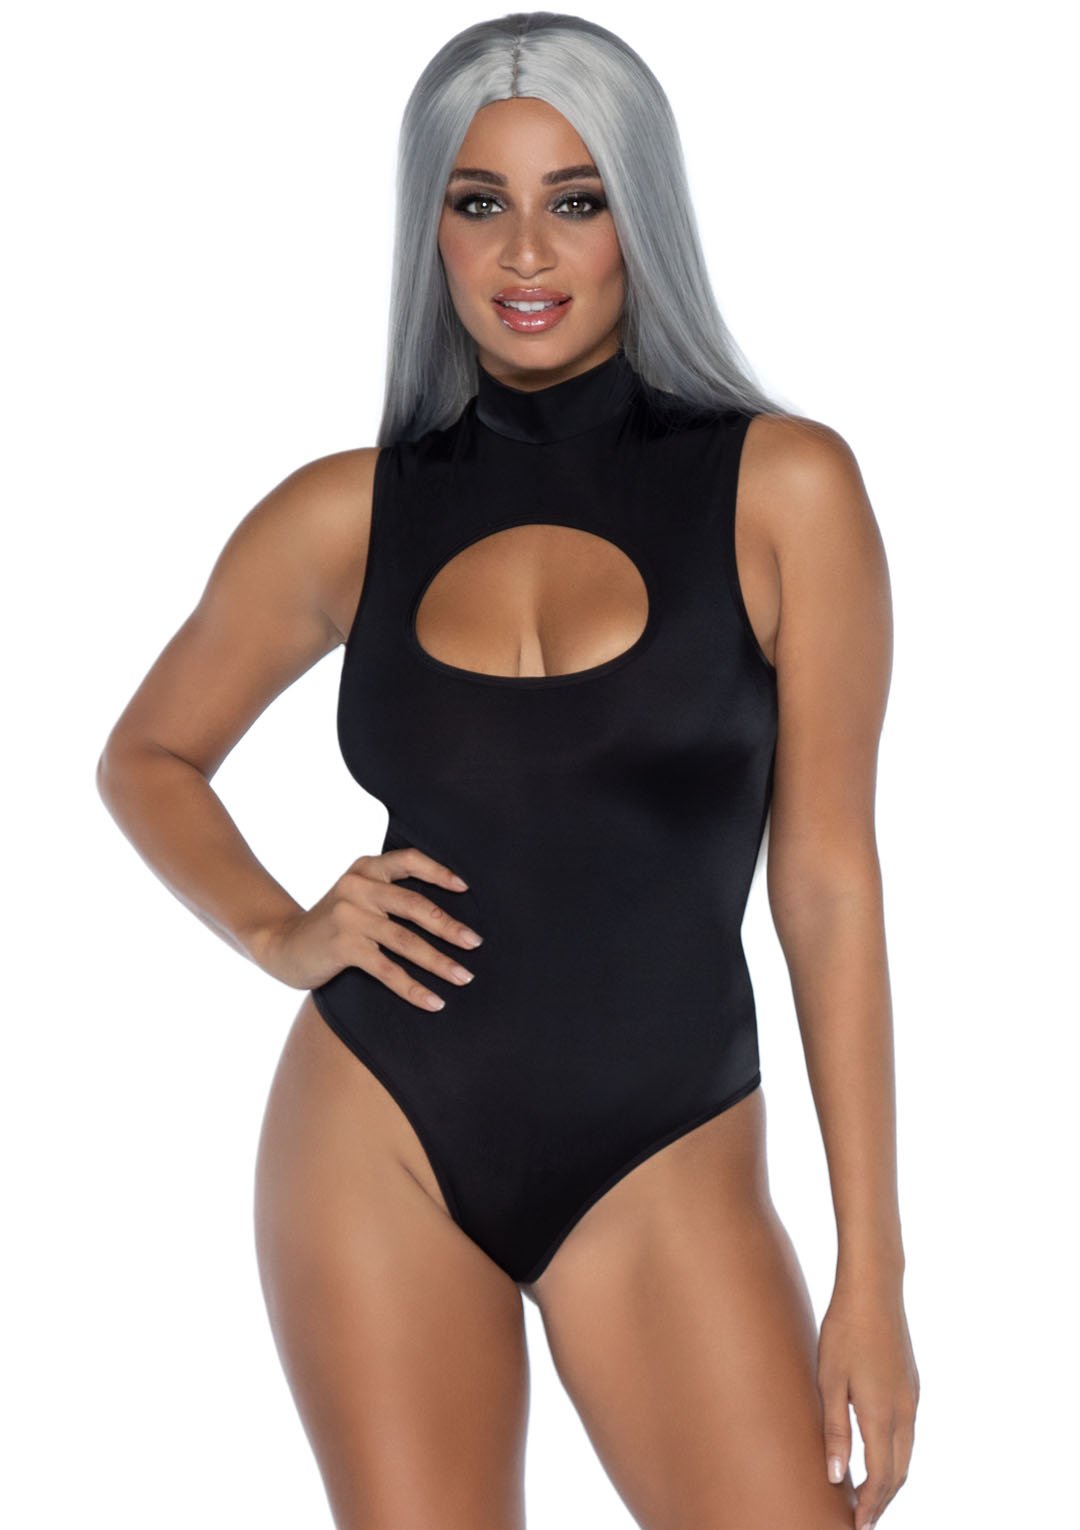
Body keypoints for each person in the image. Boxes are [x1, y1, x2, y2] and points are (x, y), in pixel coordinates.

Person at [96, 13, 919, 1530]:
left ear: (639, 218)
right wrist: (281, 929)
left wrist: (874, 1269)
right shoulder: (346, 514)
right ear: (432, 227)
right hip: (378, 1130)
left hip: (665, 1149)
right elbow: (147, 755)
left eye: (575, 200)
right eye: (479, 201)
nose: (525, 253)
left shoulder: (786, 488)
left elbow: (825, 884)